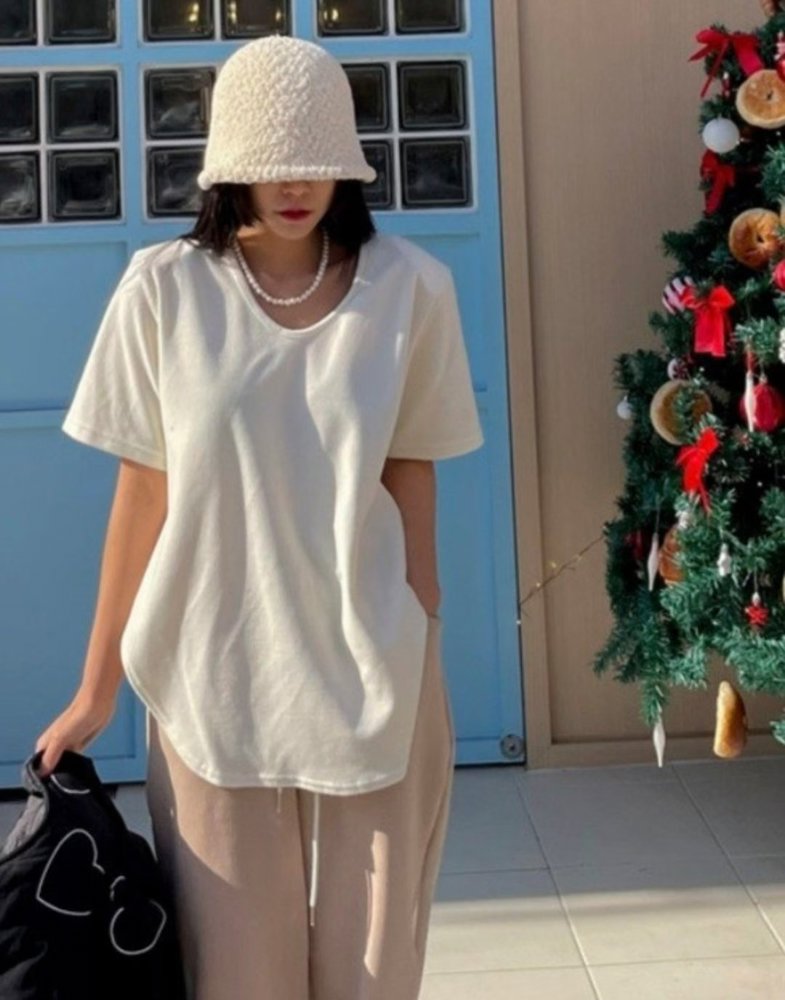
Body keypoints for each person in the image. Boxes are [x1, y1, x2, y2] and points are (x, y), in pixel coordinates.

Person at [34, 34, 484, 1000]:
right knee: (239, 976)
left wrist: (424, 626)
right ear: (229, 161)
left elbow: (410, 469)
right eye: (272, 158)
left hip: (373, 660)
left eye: (316, 157)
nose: (295, 183)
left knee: (374, 973)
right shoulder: (164, 289)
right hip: (210, 665)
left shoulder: (411, 288)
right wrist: (95, 689)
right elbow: (143, 491)